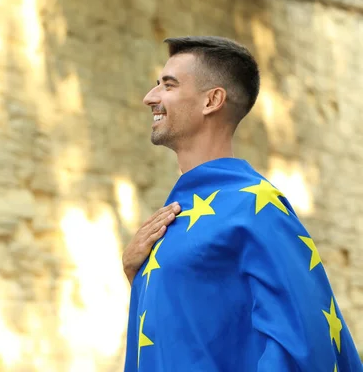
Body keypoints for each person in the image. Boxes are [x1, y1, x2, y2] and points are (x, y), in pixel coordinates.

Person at [121, 36, 363, 371]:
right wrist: (138, 275)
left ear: (212, 100)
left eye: (168, 85)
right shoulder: (182, 213)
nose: (151, 97)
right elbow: (201, 333)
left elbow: (303, 344)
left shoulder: (257, 208)